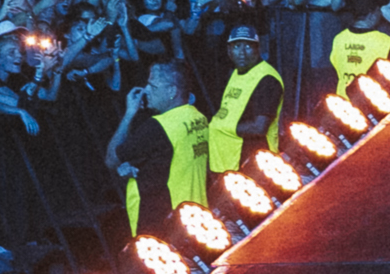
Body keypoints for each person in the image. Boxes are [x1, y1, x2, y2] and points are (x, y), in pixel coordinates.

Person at [108, 61, 210, 237]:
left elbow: (111, 158)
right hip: (195, 213)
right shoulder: (198, 118)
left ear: (172, 91)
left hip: (163, 222)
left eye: (152, 86)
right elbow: (168, 159)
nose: (146, 90)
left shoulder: (159, 126)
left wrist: (129, 114)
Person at [209, 18, 285, 177]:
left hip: (254, 163)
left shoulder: (267, 79)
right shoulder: (236, 73)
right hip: (230, 160)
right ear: (229, 50)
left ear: (258, 49)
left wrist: (221, 127)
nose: (242, 52)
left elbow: (259, 127)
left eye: (248, 46)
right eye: (237, 46)